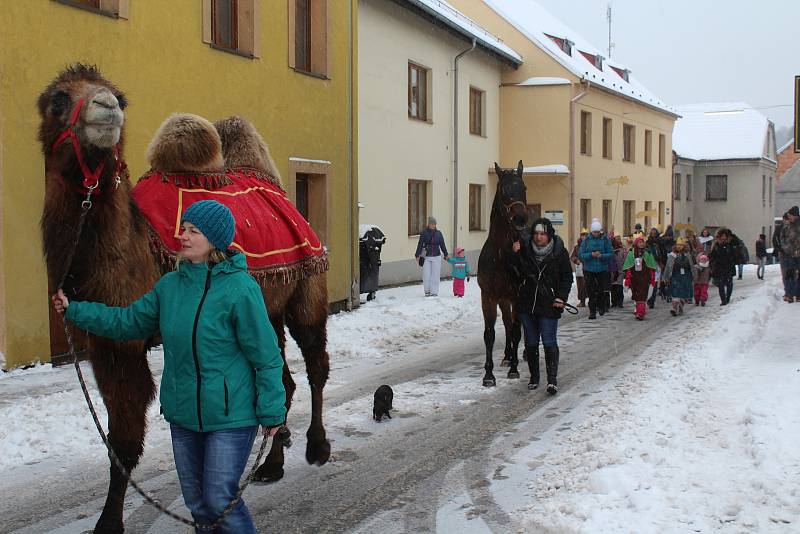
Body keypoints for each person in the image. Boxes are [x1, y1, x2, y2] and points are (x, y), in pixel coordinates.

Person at [52, 200, 286, 534]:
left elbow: (266, 355)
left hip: (231, 415)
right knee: (197, 503)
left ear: (215, 240)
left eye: (194, 231)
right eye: (184, 229)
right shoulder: (170, 287)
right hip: (184, 413)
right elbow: (127, 321)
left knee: (219, 499)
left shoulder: (240, 289)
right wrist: (75, 311)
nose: (183, 236)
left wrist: (273, 409)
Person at [511, 218, 573, 393]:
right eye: (537, 234)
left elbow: (567, 277)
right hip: (527, 303)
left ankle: (552, 380)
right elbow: (516, 274)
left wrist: (561, 297)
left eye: (543, 234)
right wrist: (515, 255)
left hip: (549, 304)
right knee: (531, 342)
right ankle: (534, 377)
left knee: (549, 341)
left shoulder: (559, 252)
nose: (539, 237)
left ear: (549, 235)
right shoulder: (525, 250)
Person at [578, 218, 613, 319]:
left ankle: (601, 306)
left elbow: (610, 254)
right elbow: (581, 254)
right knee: (591, 291)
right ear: (591, 231)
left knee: (601, 290)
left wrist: (601, 256)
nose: (596, 234)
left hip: (602, 269)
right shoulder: (586, 241)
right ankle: (592, 312)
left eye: (598, 232)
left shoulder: (605, 240)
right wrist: (591, 254)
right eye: (594, 232)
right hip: (589, 269)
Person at [622, 234, 658, 320]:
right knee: (636, 295)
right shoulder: (631, 253)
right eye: (639, 242)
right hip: (635, 278)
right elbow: (628, 266)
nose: (641, 244)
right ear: (636, 243)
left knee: (642, 295)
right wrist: (628, 277)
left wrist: (652, 277)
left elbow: (651, 266)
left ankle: (640, 313)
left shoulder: (647, 253)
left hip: (645, 278)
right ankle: (639, 310)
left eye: (642, 242)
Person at [414, 216, 449, 297]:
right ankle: (427, 291)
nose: (434, 225)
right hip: (426, 256)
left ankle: (434, 292)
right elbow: (420, 244)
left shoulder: (439, 233)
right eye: (432, 224)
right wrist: (417, 255)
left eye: (435, 224)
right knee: (426, 274)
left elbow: (442, 244)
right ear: (429, 224)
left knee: (435, 275)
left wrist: (446, 254)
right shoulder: (424, 233)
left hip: (437, 256)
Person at [709, 227, 742, 305]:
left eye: (725, 236)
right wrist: (713, 264)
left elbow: (737, 248)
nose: (723, 238)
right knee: (720, 285)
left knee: (729, 284)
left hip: (729, 267)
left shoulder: (730, 244)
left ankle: (727, 297)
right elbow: (712, 256)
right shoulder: (716, 245)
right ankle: (723, 300)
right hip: (719, 267)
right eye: (722, 236)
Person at [663, 237, 695, 316]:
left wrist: (694, 275)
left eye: (681, 245)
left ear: (684, 246)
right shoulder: (672, 255)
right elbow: (668, 266)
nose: (679, 247)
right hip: (675, 276)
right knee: (675, 292)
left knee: (683, 293)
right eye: (678, 245)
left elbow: (692, 266)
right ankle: (674, 308)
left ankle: (680, 305)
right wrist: (666, 277)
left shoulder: (688, 255)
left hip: (685, 276)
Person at [780, 205, 800, 302]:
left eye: (791, 215)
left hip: (799, 254)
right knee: (789, 275)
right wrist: (785, 248)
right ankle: (789, 294)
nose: (789, 217)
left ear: (795, 216)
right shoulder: (786, 226)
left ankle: (798, 294)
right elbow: (782, 238)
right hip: (788, 254)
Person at [570, 228, 589, 307]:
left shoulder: (590, 245)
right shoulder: (577, 247)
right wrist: (576, 260)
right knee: (580, 285)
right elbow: (572, 256)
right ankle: (582, 301)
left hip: (588, 268)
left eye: (585, 235)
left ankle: (592, 301)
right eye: (582, 235)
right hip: (579, 269)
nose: (583, 237)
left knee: (588, 285)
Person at [645, 227, 663, 309]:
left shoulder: (660, 242)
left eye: (654, 233)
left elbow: (663, 252)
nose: (653, 234)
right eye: (652, 233)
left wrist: (662, 262)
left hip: (657, 264)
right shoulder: (648, 242)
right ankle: (649, 299)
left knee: (655, 283)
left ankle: (652, 300)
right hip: (649, 264)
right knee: (649, 283)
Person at [774, 213, 790, 301]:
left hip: (792, 253)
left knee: (793, 273)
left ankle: (793, 291)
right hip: (783, 254)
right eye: (786, 219)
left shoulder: (794, 227)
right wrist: (780, 249)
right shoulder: (779, 228)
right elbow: (775, 240)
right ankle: (787, 291)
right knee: (785, 273)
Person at [610, 235, 626, 308]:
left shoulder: (622, 249)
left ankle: (620, 302)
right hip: (612, 271)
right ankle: (614, 302)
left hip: (620, 271)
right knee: (613, 287)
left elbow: (625, 259)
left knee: (619, 287)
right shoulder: (610, 250)